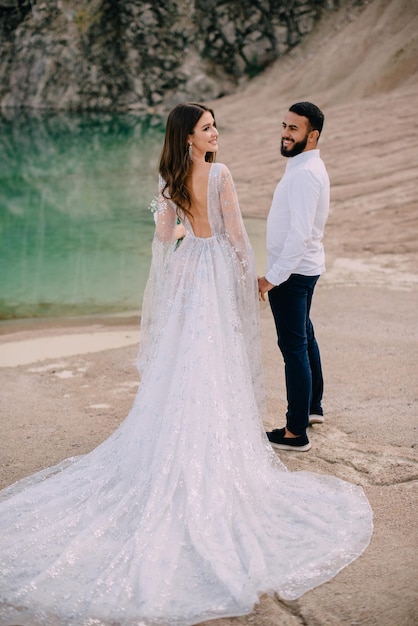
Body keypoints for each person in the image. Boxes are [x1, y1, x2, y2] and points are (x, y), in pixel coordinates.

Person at [0, 102, 372, 626]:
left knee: (184, 361)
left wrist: (178, 233)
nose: (215, 132)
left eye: (214, 125)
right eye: (207, 127)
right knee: (216, 358)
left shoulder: (169, 176)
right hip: (217, 269)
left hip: (188, 275)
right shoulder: (219, 173)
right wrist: (250, 285)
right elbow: (238, 237)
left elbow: (163, 237)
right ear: (191, 138)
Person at [258, 101, 330, 453]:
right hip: (305, 269)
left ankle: (294, 432)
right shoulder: (305, 165)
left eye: (294, 129)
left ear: (312, 135)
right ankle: (313, 408)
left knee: (293, 348)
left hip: (293, 273)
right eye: (284, 126)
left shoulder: (304, 173)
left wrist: (272, 277)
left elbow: (299, 235)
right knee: (305, 337)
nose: (285, 134)